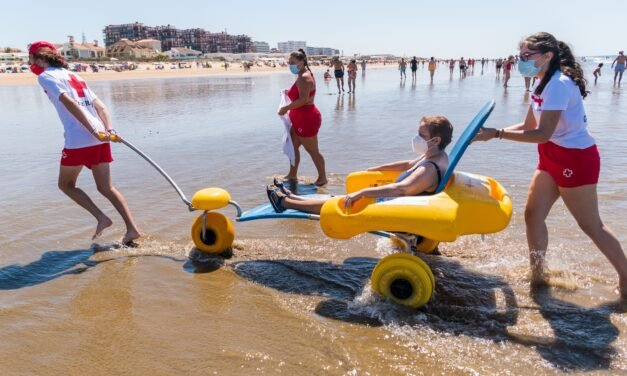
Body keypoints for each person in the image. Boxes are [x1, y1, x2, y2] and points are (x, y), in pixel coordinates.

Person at [473, 32, 627, 299]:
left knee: (591, 225)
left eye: (526, 56)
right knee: (533, 215)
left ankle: (626, 278)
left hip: (575, 158)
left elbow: (542, 133)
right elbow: (528, 127)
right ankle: (538, 276)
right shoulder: (540, 82)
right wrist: (487, 134)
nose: (521, 60)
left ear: (547, 56)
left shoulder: (559, 84)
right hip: (550, 154)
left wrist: (496, 133)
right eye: (519, 55)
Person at [28, 41, 141, 245]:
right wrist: (108, 130)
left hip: (79, 139)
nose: (30, 62)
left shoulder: (45, 76)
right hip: (100, 137)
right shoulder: (75, 75)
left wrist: (92, 131)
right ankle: (132, 229)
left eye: (31, 58)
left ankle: (102, 218)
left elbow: (69, 103)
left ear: (39, 59)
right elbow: (101, 106)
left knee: (66, 185)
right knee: (106, 187)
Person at [266, 116, 453, 214]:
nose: (416, 138)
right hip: (396, 201)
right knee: (339, 197)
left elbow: (401, 189)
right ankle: (292, 197)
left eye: (422, 136)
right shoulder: (436, 155)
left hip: (394, 205)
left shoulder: (428, 168)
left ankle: (284, 201)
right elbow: (407, 164)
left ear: (436, 140)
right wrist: (378, 168)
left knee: (340, 203)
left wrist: (363, 192)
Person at [279, 49, 327, 186]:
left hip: (307, 119)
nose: (290, 65)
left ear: (301, 62)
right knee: (292, 147)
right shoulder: (301, 75)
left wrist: (286, 108)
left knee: (313, 151)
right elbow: (301, 93)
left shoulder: (305, 77)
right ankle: (292, 174)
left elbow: (304, 99)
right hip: (299, 118)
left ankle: (323, 178)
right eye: (289, 62)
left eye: (292, 62)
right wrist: (288, 92)